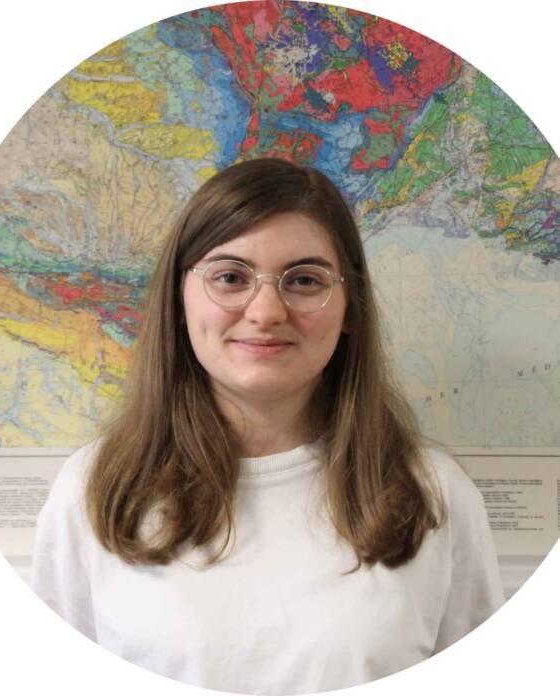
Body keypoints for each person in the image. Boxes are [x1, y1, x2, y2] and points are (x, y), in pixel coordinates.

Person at [31, 157, 504, 695]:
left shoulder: (435, 494)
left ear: (350, 308)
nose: (266, 311)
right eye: (230, 277)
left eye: (303, 280)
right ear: (179, 299)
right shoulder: (95, 487)